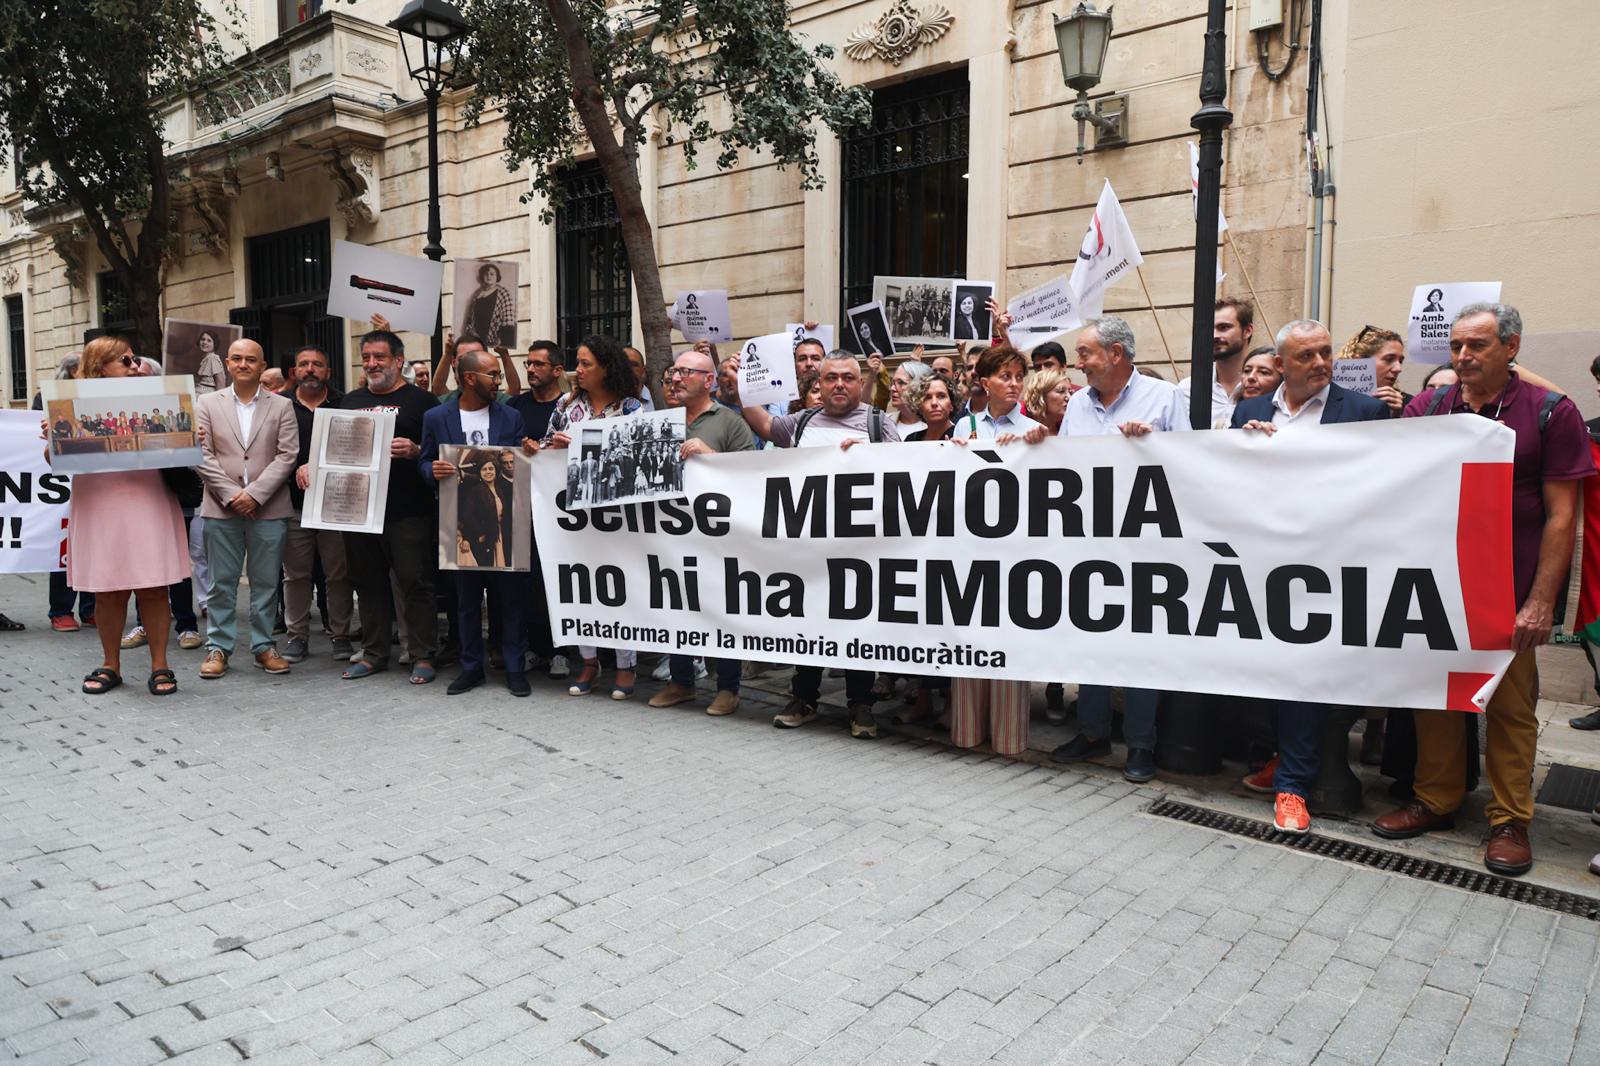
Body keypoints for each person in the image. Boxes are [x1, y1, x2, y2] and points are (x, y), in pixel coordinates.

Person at [1374, 303, 1595, 878]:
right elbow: (1376, 470)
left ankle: (1510, 821)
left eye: (1477, 346)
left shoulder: (1549, 412)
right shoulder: (1431, 407)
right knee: (1437, 698)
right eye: (1456, 347)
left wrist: (1542, 600)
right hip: (1439, 588)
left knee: (1512, 710)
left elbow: (1561, 515)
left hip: (1510, 589)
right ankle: (1437, 800)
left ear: (1511, 347)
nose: (1463, 357)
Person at [1231, 320, 1390, 833]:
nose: (1321, 363)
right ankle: (1282, 759)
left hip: (1328, 564)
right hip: (1263, 562)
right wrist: (1246, 447)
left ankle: (1293, 787)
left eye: (1326, 353)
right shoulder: (1251, 410)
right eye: (1307, 356)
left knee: (1304, 676)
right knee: (1268, 671)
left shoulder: (1363, 411)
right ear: (1280, 365)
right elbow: (1229, 480)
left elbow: (1382, 484)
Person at [729, 350, 901, 738]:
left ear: (860, 383)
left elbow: (904, 477)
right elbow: (761, 422)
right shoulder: (801, 422)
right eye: (830, 378)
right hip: (807, 550)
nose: (839, 384)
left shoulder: (878, 425)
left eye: (847, 377)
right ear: (818, 384)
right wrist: (746, 381)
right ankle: (803, 698)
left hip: (860, 551)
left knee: (858, 628)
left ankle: (860, 705)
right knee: (807, 625)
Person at [1054, 316, 1189, 783]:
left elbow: (1194, 462)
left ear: (1115, 354)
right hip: (1089, 540)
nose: (1080, 361)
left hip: (1146, 544)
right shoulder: (1076, 404)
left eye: (1086, 352)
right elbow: (1065, 464)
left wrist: (1157, 447)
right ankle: (1092, 733)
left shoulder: (1165, 397)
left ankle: (1140, 744)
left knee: (1138, 647)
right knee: (1092, 638)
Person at [55, 337, 190, 697]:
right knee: (108, 590)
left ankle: (161, 664)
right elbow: (54, 463)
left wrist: (190, 437)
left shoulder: (158, 399)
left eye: (134, 360)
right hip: (100, 500)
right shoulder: (68, 404)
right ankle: (110, 664)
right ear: (100, 367)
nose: (134, 366)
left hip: (148, 496)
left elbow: (179, 452)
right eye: (125, 361)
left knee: (154, 586)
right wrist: (51, 442)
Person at [647, 349, 756, 716]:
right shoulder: (659, 420)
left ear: (708, 381)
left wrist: (710, 455)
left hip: (718, 537)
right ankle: (682, 682)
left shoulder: (729, 422)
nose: (675, 379)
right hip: (672, 536)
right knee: (676, 606)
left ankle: (728, 687)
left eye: (686, 373)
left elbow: (752, 475)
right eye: (674, 372)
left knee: (722, 609)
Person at [421, 347, 531, 697]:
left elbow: (518, 465)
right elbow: (423, 462)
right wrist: (431, 470)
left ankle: (515, 667)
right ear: (469, 378)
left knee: (510, 601)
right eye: (493, 375)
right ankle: (472, 668)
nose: (498, 381)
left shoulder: (510, 417)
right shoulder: (437, 417)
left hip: (506, 521)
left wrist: (528, 455)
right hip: (459, 522)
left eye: (498, 374)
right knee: (465, 601)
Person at [541, 335, 644, 699]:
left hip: (617, 518)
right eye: (578, 363)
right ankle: (587, 660)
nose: (578, 370)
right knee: (580, 585)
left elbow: (638, 459)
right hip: (572, 517)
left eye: (586, 364)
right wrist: (541, 450)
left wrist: (585, 448)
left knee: (618, 585)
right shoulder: (566, 406)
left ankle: (625, 663)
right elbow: (545, 446)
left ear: (606, 367)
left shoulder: (631, 409)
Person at [193, 339, 299, 679]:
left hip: (268, 509)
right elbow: (201, 454)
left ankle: (263, 645)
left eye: (250, 359)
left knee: (266, 582)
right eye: (236, 358)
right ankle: (218, 648)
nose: (243, 364)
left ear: (262, 363)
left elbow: (287, 455)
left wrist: (254, 495)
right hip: (222, 509)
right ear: (226, 363)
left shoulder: (282, 405)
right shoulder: (206, 403)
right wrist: (232, 495)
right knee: (221, 583)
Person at [341, 328, 441, 684]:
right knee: (367, 583)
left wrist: (415, 452)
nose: (371, 363)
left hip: (408, 510)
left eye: (379, 357)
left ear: (399, 361)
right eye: (366, 357)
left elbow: (441, 455)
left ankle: (423, 655)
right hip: (358, 511)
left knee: (416, 583)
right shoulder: (348, 402)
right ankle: (373, 653)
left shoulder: (424, 402)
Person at [283, 345, 353, 663]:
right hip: (293, 505)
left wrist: (318, 465)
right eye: (304, 364)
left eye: (317, 364)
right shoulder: (279, 407)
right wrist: (294, 467)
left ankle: (340, 634)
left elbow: (357, 451)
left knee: (338, 575)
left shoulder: (346, 405)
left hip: (335, 506)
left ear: (328, 371)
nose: (310, 369)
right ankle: (297, 636)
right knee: (296, 575)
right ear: (294, 371)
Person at [508, 339, 569, 679]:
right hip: (524, 507)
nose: (529, 369)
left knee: (555, 579)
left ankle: (561, 651)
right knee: (528, 580)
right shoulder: (515, 407)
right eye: (528, 363)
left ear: (557, 370)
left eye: (537, 364)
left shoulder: (571, 407)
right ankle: (536, 647)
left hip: (561, 512)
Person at [34, 353, 95, 633]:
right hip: (59, 484)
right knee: (65, 548)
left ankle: (91, 608)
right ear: (72, 372)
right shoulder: (46, 400)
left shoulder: (100, 396)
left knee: (94, 548)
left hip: (91, 480)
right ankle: (61, 609)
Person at [1179, 297, 1254, 429]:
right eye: (1210, 328)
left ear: (1247, 331)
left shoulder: (1267, 385)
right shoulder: (1187, 389)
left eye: (1224, 327)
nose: (1214, 335)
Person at [954, 344, 1042, 440]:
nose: (1014, 383)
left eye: (1019, 377)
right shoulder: (964, 426)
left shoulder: (1034, 430)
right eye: (1006, 376)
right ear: (985, 384)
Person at [1336, 324, 1408, 416]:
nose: (1398, 369)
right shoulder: (1331, 401)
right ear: (1360, 361)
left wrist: (1395, 416)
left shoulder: (1407, 404)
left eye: (1400, 361)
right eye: (1389, 359)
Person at [461, 262, 517, 349]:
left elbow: (508, 320)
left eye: (492, 274)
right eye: (486, 274)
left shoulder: (503, 293)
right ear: (482, 277)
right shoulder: (477, 294)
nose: (489, 276)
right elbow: (470, 318)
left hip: (494, 340)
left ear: (497, 277)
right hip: (476, 339)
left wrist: (501, 341)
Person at [904, 371, 958, 442]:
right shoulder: (911, 440)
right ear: (919, 406)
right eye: (927, 397)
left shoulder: (961, 435)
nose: (934, 403)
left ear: (951, 404)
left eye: (941, 396)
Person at [1023, 367, 1072, 437]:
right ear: (1040, 395)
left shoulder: (1071, 426)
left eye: (1070, 393)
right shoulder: (1018, 423)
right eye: (1061, 391)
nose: (1069, 398)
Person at [887, 360, 931, 437]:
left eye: (901, 383)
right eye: (893, 383)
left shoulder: (937, 427)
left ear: (919, 387)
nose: (892, 388)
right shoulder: (883, 422)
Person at [192, 330, 227, 394]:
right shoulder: (206, 359)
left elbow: (221, 384)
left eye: (209, 340)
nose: (204, 342)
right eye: (203, 339)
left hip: (208, 398)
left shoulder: (212, 358)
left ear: (214, 344)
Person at [624, 346, 657, 411]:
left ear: (643, 370)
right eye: (623, 364)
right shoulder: (605, 402)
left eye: (633, 364)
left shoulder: (658, 400)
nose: (628, 368)